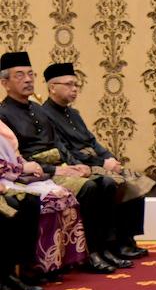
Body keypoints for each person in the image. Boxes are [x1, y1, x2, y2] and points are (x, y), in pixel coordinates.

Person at [0, 52, 128, 270]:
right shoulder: (4, 114)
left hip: (60, 166)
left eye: (31, 74)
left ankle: (105, 247)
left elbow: (58, 143)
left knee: (106, 183)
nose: (28, 79)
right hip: (36, 173)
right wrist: (56, 170)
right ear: (5, 83)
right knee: (88, 188)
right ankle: (90, 254)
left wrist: (74, 165)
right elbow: (19, 157)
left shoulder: (39, 110)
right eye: (20, 75)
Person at [41, 62, 150, 259]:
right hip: (80, 164)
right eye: (68, 85)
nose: (74, 89)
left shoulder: (73, 113)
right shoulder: (45, 115)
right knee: (115, 183)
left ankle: (127, 239)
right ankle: (111, 243)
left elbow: (92, 141)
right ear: (52, 87)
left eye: (76, 85)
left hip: (95, 159)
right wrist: (101, 164)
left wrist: (109, 158)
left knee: (136, 180)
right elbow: (65, 150)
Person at [0, 115, 92, 278]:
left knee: (63, 195)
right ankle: (32, 267)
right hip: (7, 178)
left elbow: (15, 153)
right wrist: (22, 168)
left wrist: (27, 166)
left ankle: (57, 262)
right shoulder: (7, 112)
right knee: (39, 200)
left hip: (16, 175)